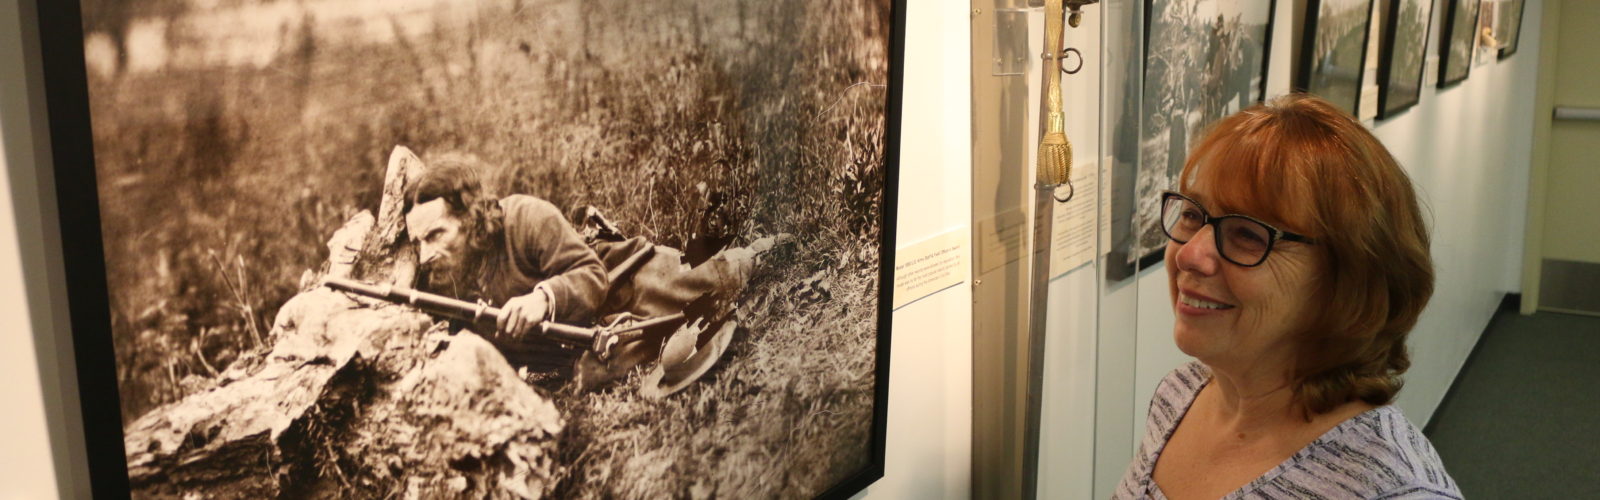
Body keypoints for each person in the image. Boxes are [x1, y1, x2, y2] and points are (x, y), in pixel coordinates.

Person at [1113, 94, 1460, 499]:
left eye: (1246, 233)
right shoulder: (1181, 393)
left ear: (1346, 279)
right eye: (1193, 214)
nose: (1189, 255)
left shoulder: (1393, 490)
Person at [404, 154, 608, 369]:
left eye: (435, 235)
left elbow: (592, 273)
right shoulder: (436, 272)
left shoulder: (528, 219)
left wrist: (544, 299)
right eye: (418, 242)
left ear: (469, 218)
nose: (425, 255)